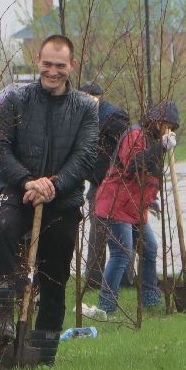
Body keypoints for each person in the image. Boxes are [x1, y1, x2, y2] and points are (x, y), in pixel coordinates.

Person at [0, 35, 99, 369]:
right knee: (2, 229)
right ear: (37, 60)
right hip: (20, 195)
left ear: (71, 66)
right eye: (47, 63)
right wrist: (26, 180)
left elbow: (86, 154)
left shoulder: (85, 108)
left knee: (54, 275)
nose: (52, 71)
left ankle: (44, 353)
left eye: (60, 65)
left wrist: (53, 185)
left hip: (62, 202)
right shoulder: (16, 101)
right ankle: (4, 316)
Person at [84, 101, 178, 319]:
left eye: (172, 126)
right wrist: (160, 147)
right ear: (155, 120)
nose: (168, 129)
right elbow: (132, 164)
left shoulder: (153, 140)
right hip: (116, 203)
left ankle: (150, 298)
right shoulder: (135, 135)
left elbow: (148, 176)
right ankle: (106, 305)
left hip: (134, 207)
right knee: (121, 252)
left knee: (149, 247)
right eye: (166, 123)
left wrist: (150, 200)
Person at [81, 82, 129, 292]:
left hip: (111, 182)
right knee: (107, 232)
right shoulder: (89, 115)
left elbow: (126, 147)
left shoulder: (110, 117)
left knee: (104, 232)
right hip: (99, 180)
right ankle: (101, 278)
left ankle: (98, 279)